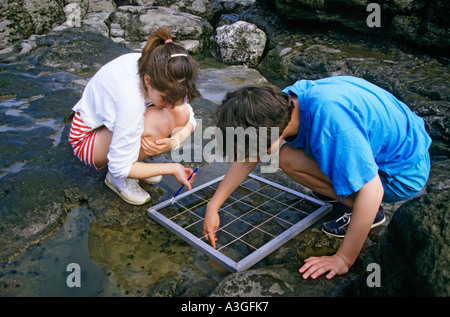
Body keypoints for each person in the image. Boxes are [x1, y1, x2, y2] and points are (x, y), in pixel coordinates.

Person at [202, 76, 431, 279]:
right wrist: (214, 205)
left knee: (287, 160)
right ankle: (345, 188)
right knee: (288, 157)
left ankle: (369, 212)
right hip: (386, 144)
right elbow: (250, 155)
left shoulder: (331, 122)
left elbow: (373, 190)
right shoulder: (285, 101)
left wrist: (343, 259)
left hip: (401, 173)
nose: (253, 153)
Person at [68, 27, 199, 205]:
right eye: (165, 98)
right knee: (160, 120)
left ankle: (135, 165)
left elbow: (189, 117)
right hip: (87, 139)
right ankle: (116, 180)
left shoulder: (160, 67)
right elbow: (119, 166)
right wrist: (172, 168)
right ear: (147, 81)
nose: (169, 104)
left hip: (111, 125)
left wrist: (173, 141)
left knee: (179, 113)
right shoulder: (131, 99)